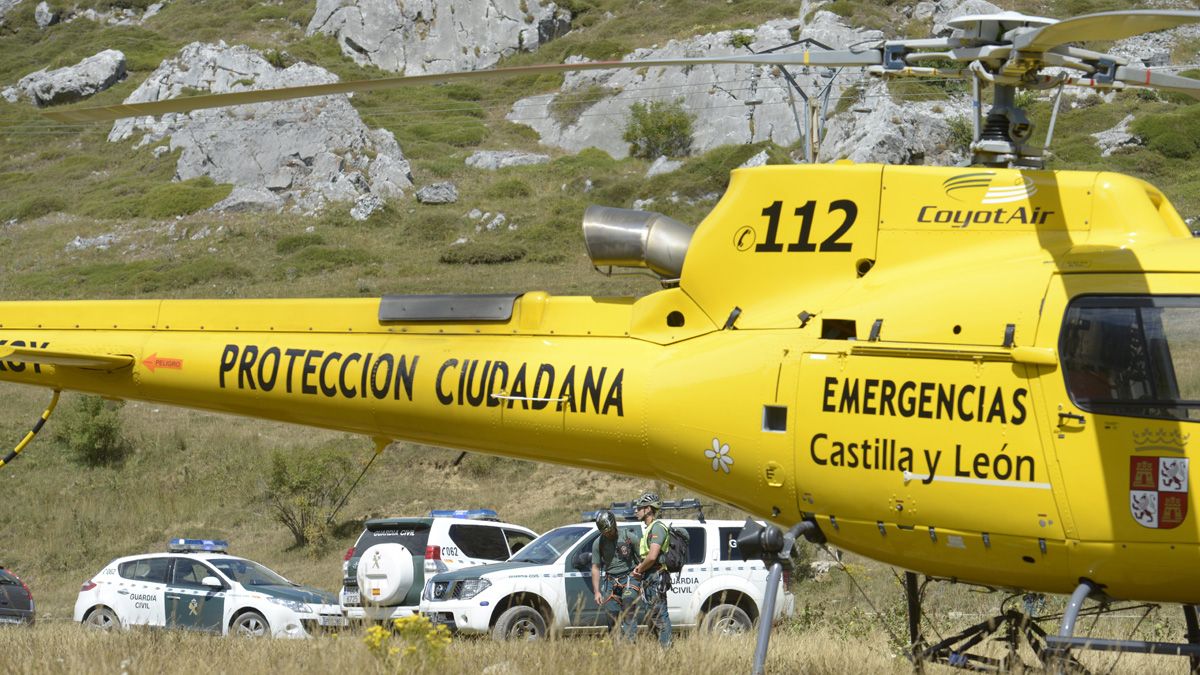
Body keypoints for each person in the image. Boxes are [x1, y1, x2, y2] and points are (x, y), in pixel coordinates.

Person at [621, 491, 672, 647]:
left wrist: (639, 569)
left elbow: (652, 556)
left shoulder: (657, 528)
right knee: (655, 615)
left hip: (655, 576)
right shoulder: (650, 528)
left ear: (648, 509)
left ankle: (667, 651)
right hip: (651, 576)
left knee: (660, 615)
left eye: (639, 508)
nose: (636, 511)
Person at [590, 509, 639, 630]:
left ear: (614, 524)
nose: (608, 534)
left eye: (609, 530)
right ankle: (616, 646)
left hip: (629, 579)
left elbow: (642, 561)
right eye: (604, 532)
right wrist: (597, 592)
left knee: (628, 605)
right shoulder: (598, 543)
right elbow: (596, 567)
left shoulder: (629, 537)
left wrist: (641, 580)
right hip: (611, 582)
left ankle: (630, 644)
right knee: (611, 615)